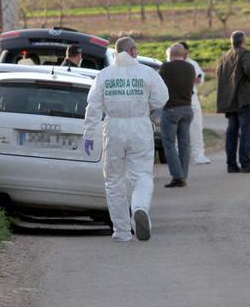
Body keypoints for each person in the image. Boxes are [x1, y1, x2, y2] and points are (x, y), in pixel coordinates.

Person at [83, 37, 169, 242]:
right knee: (142, 175)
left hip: (113, 129)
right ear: (132, 51)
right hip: (139, 126)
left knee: (113, 181)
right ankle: (139, 208)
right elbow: (161, 98)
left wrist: (89, 134)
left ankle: (121, 231)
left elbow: (93, 106)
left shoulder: (104, 75)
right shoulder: (147, 73)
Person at [215, 31, 250, 174]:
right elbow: (249, 69)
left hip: (230, 100)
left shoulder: (225, 56)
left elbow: (218, 72)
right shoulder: (245, 54)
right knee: (247, 132)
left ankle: (231, 164)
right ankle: (246, 163)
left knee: (232, 132)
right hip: (244, 98)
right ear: (243, 41)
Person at [158, 43, 195, 188]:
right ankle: (183, 175)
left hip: (171, 109)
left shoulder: (166, 67)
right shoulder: (190, 67)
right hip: (187, 108)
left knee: (169, 144)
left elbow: (158, 85)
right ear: (183, 54)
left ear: (171, 54)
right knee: (185, 144)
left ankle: (177, 176)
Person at [180, 41, 212, 165]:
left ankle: (198, 155)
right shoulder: (170, 63)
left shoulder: (192, 63)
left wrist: (194, 79)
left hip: (192, 98)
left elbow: (199, 79)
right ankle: (180, 156)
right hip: (176, 100)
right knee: (179, 130)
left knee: (196, 128)